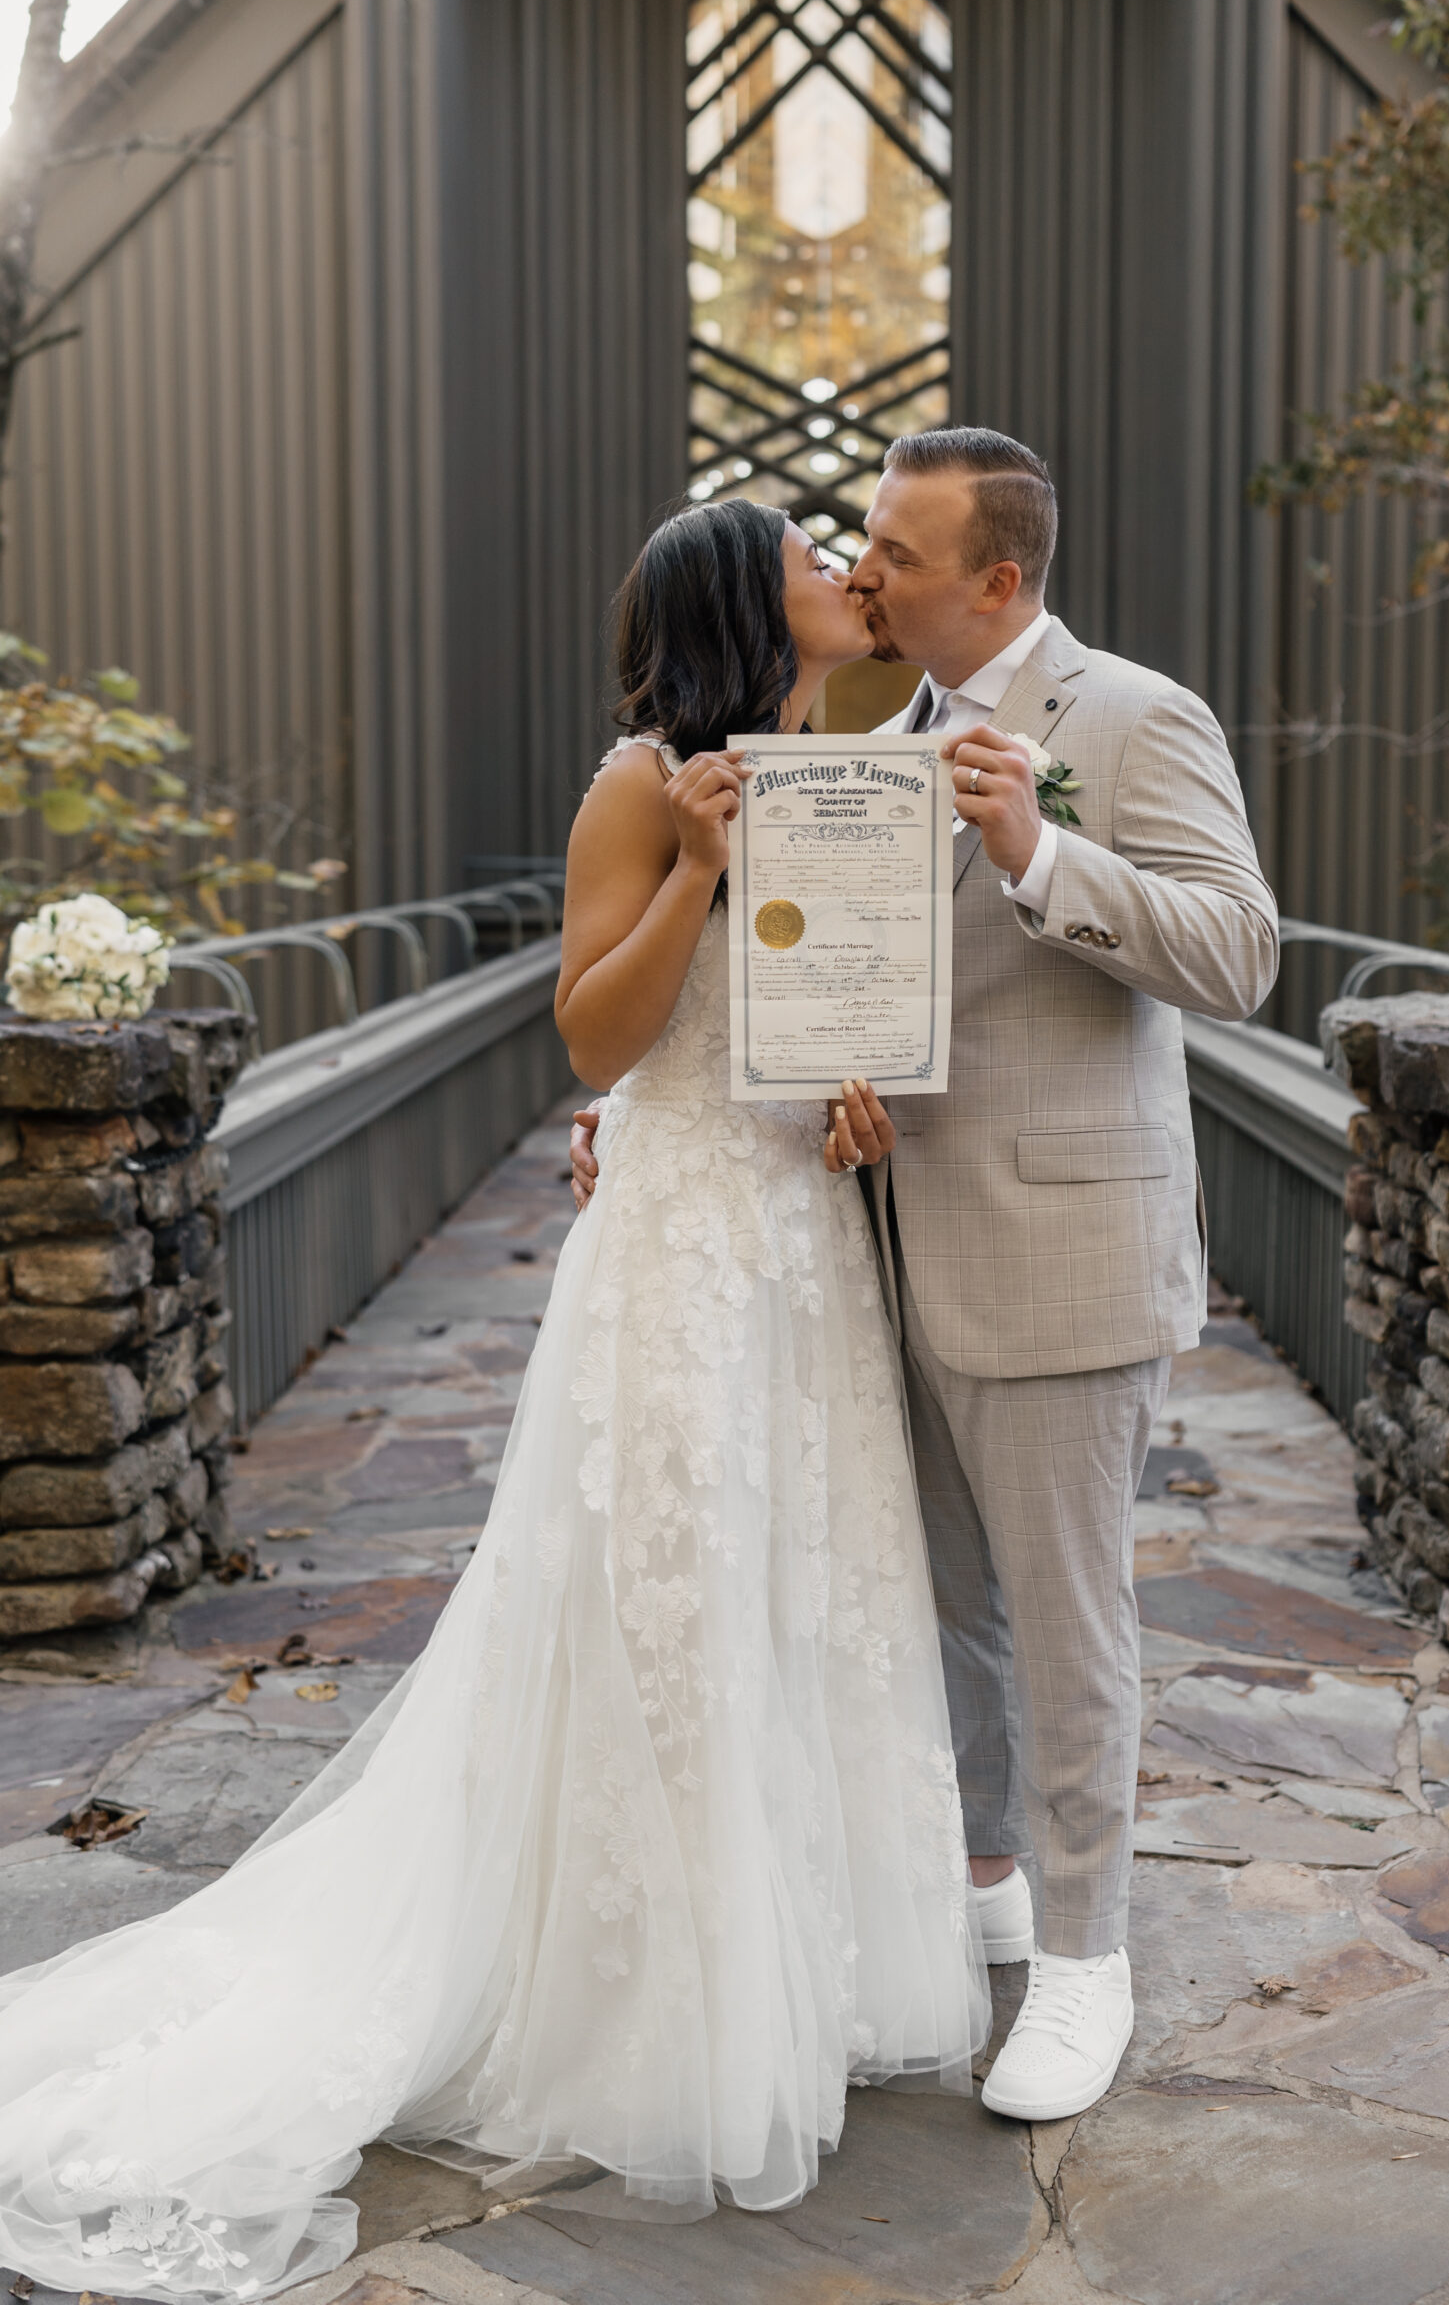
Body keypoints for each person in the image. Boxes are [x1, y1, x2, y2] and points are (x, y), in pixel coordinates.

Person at [0, 500, 989, 2303]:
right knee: (667, 1611)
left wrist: (858, 1095)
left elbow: (812, 1010)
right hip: (683, 1250)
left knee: (806, 1594)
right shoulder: (640, 785)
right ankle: (653, 2001)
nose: (848, 569)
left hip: (800, 1246)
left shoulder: (852, 758)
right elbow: (597, 1043)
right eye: (810, 558)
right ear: (735, 605)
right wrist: (691, 864)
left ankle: (804, 1963)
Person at [574, 429, 1279, 2123]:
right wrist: (651, 1105)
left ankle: (1089, 1969)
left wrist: (1044, 856)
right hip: (853, 1238)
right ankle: (986, 1893)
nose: (864, 565)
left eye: (893, 543)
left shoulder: (1126, 716)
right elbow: (794, 973)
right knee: (938, 1605)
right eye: (855, 543)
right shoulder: (857, 738)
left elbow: (1241, 954)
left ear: (1000, 579)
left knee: (1068, 1615)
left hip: (1055, 1239)